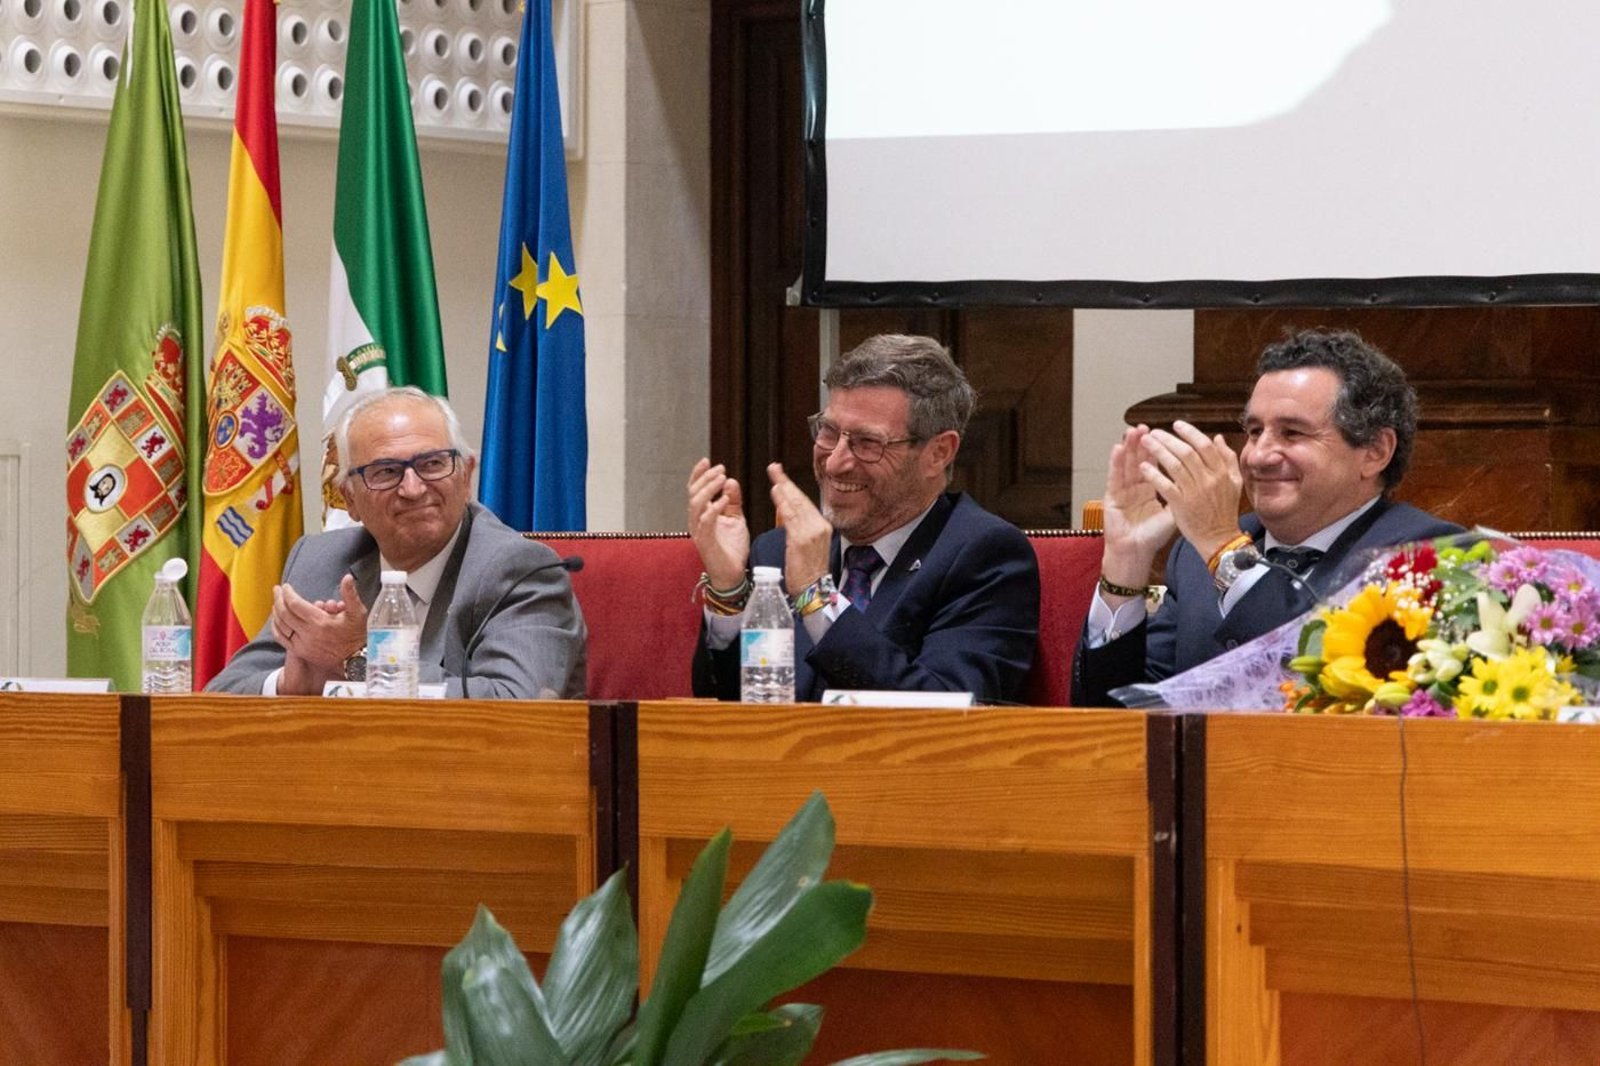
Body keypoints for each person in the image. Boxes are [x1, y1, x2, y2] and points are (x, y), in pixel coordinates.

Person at [1073, 328, 1461, 706]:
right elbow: (1114, 722)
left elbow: (1314, 686)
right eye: (1255, 431)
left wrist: (1225, 551)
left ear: (1375, 451)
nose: (1258, 455)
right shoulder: (1193, 557)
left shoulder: (1432, 557)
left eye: (1292, 433)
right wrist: (1127, 562)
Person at [687, 334, 1040, 703]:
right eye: (828, 432)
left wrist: (816, 598)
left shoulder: (984, 555)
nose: (836, 462)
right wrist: (728, 592)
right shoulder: (776, 551)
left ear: (938, 452)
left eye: (868, 443)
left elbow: (946, 711)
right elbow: (729, 712)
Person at [207, 387, 586, 699]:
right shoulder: (321, 561)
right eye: (386, 472)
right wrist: (292, 684)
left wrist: (361, 658)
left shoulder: (520, 570)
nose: (413, 488)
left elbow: (516, 703)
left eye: (433, 464)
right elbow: (222, 693)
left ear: (466, 475)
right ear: (350, 500)